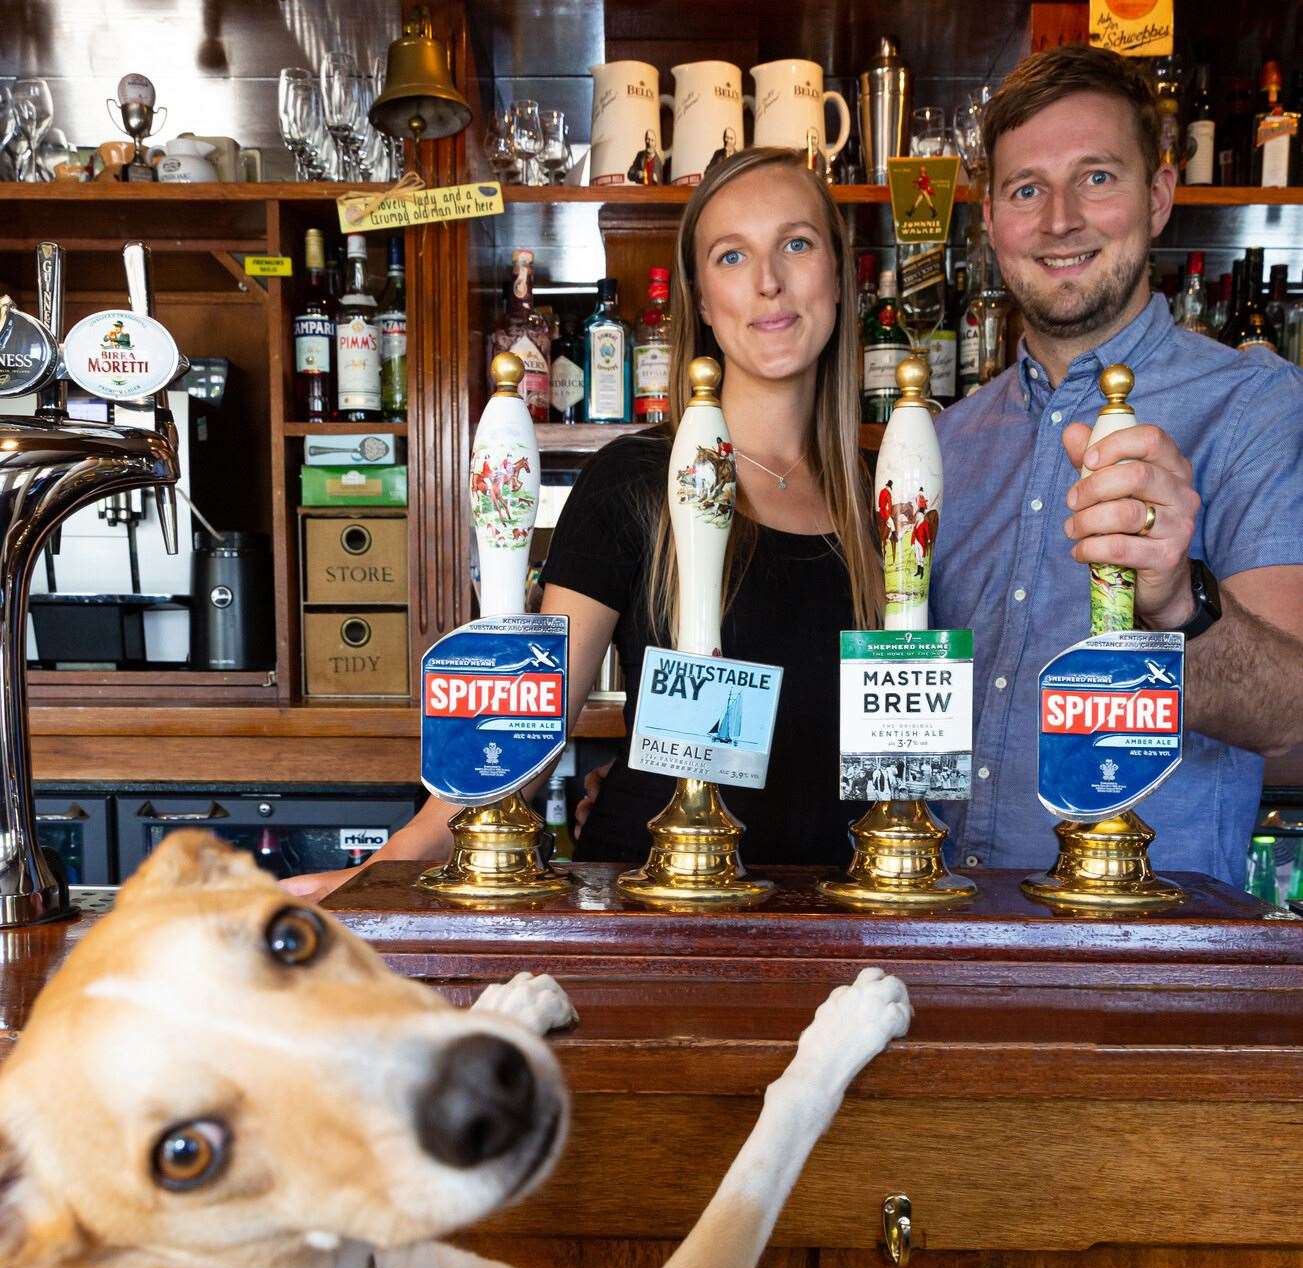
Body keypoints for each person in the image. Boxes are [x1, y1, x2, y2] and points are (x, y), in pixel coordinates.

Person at [288, 147, 880, 898]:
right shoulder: (634, 481)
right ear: (700, 300)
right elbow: (529, 726)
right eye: (733, 255)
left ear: (839, 274)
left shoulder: (887, 499)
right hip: (655, 906)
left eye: (796, 243)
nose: (769, 280)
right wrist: (379, 875)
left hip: (848, 907)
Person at [931, 44, 1303, 887]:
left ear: (1159, 196)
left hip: (1150, 958)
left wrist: (1177, 602)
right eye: (1026, 190)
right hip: (941, 934)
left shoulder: (1252, 404)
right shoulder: (947, 441)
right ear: (989, 220)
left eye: (1095, 178)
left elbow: (1289, 712)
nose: (1059, 219)